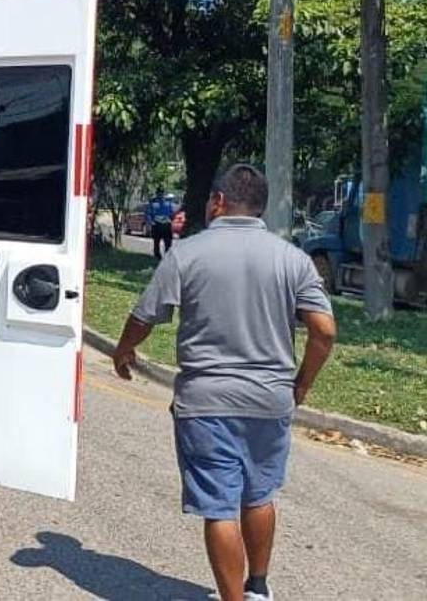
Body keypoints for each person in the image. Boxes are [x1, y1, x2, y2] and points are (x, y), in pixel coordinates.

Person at [111, 164, 337, 601]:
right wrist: (302, 384)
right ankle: (257, 588)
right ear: (259, 208)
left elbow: (145, 316)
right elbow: (324, 331)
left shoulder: (188, 253)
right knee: (259, 495)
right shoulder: (293, 259)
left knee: (219, 507)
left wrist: (123, 351)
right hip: (270, 401)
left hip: (206, 401)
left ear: (218, 201)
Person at [146, 186, 176, 259]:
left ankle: (167, 257)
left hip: (166, 224)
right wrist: (151, 222)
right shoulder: (153, 201)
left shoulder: (168, 201)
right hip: (157, 224)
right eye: (159, 193)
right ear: (157, 193)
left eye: (162, 193)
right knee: (156, 242)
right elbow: (148, 213)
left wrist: (171, 218)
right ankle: (157, 256)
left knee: (168, 242)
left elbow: (171, 211)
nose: (160, 195)